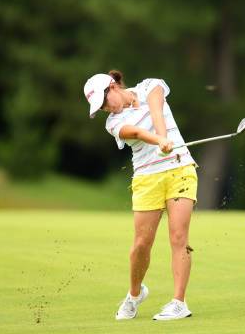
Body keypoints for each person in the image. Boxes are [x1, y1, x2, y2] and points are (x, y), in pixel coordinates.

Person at [83, 70, 198, 321]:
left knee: (179, 236)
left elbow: (157, 109)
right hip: (147, 179)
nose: (105, 109)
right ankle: (135, 294)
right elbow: (135, 133)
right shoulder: (112, 123)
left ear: (113, 86)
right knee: (140, 246)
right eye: (100, 108)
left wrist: (163, 138)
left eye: (104, 102)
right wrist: (158, 140)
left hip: (180, 169)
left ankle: (179, 302)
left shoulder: (150, 86)